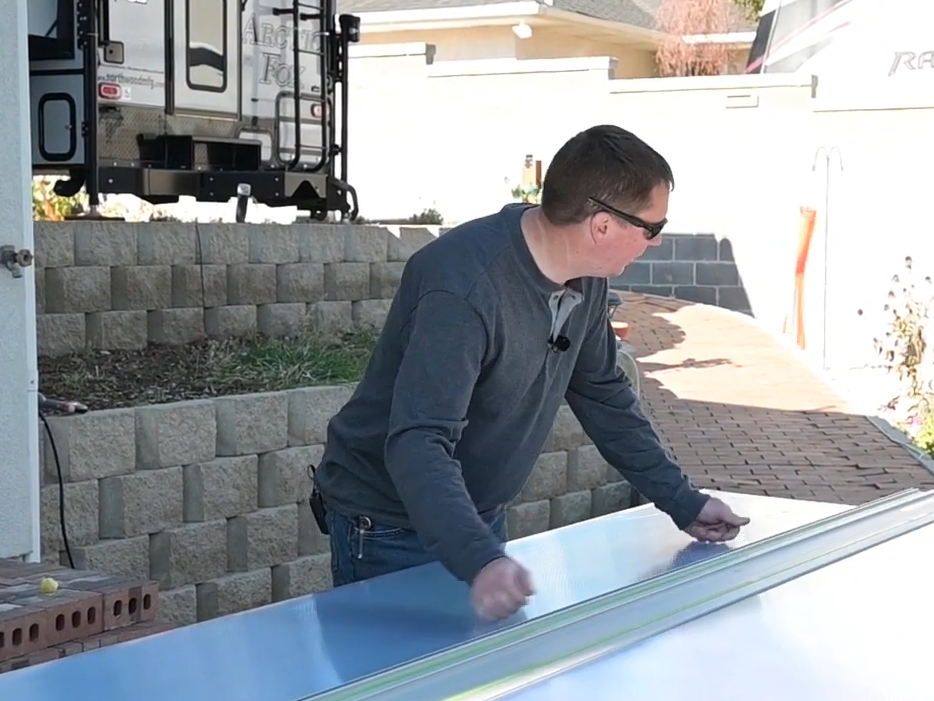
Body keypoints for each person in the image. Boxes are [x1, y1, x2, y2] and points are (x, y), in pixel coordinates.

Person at [310, 124, 748, 621]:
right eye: (652, 228)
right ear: (602, 225)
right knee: (399, 692)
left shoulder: (586, 281)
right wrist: (481, 560)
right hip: (388, 529)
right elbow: (418, 441)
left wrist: (683, 500)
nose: (656, 243)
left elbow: (606, 399)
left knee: (484, 688)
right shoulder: (464, 286)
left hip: (474, 523)